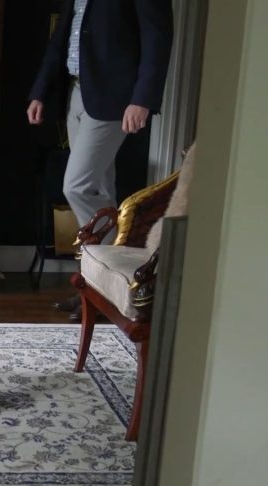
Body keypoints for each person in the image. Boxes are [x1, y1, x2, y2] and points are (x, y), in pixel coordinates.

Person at [27, 0, 173, 319]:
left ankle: (108, 279)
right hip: (76, 93)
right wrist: (40, 91)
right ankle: (96, 290)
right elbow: (62, 38)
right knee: (101, 191)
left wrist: (142, 99)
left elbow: (157, 35)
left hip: (113, 98)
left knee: (77, 186)